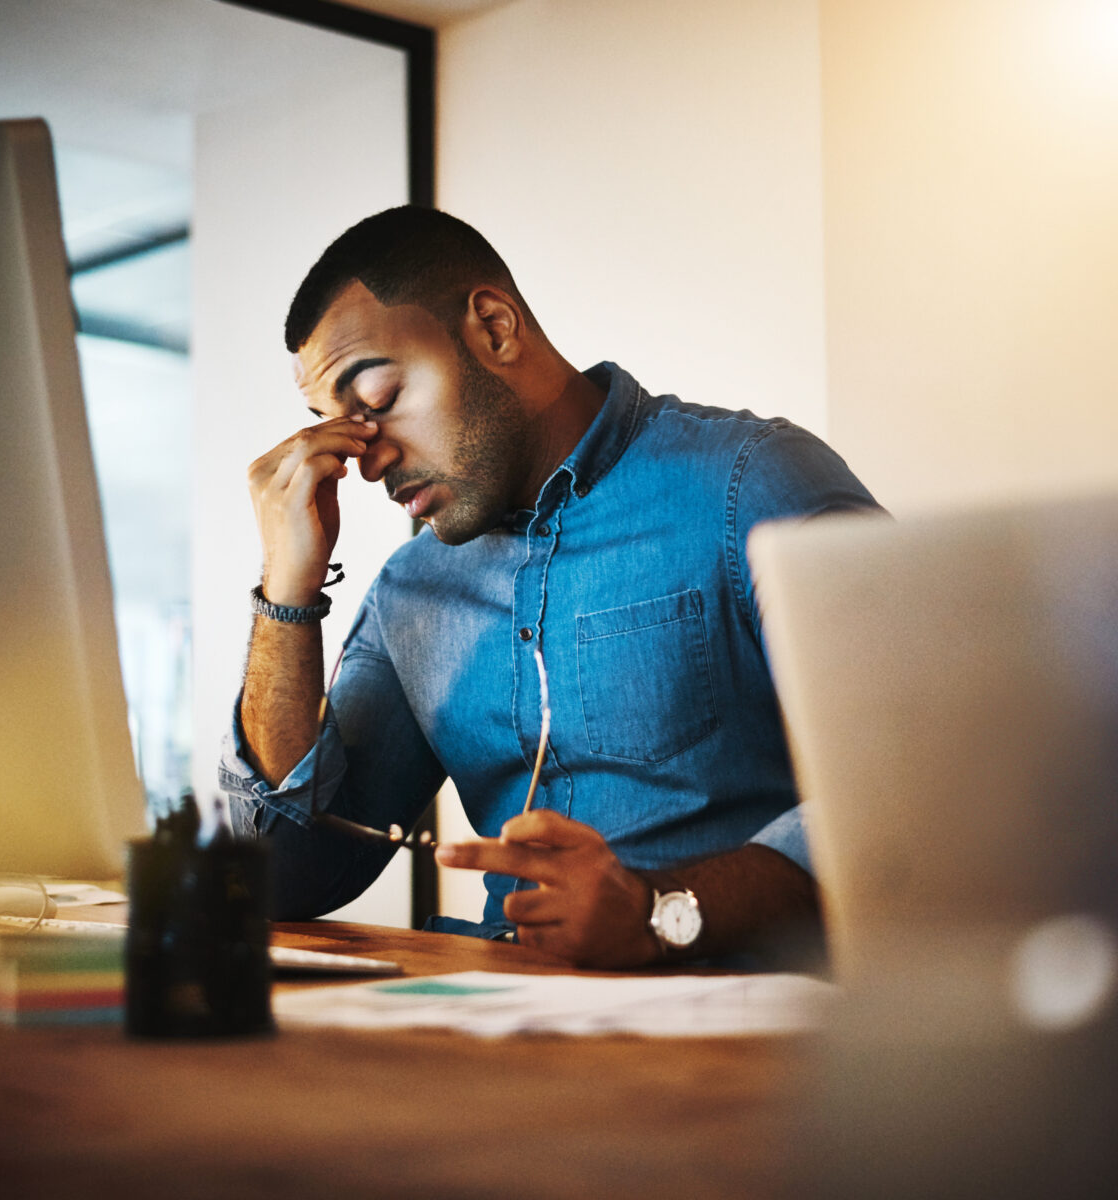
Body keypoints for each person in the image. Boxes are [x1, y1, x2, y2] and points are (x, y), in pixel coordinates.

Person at [220, 205, 880, 969]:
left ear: (495, 329)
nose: (366, 460)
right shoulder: (413, 591)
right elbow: (283, 879)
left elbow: (921, 787)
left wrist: (659, 910)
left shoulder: (752, 485)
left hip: (737, 1034)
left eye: (378, 401)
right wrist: (287, 590)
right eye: (337, 426)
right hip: (504, 1028)